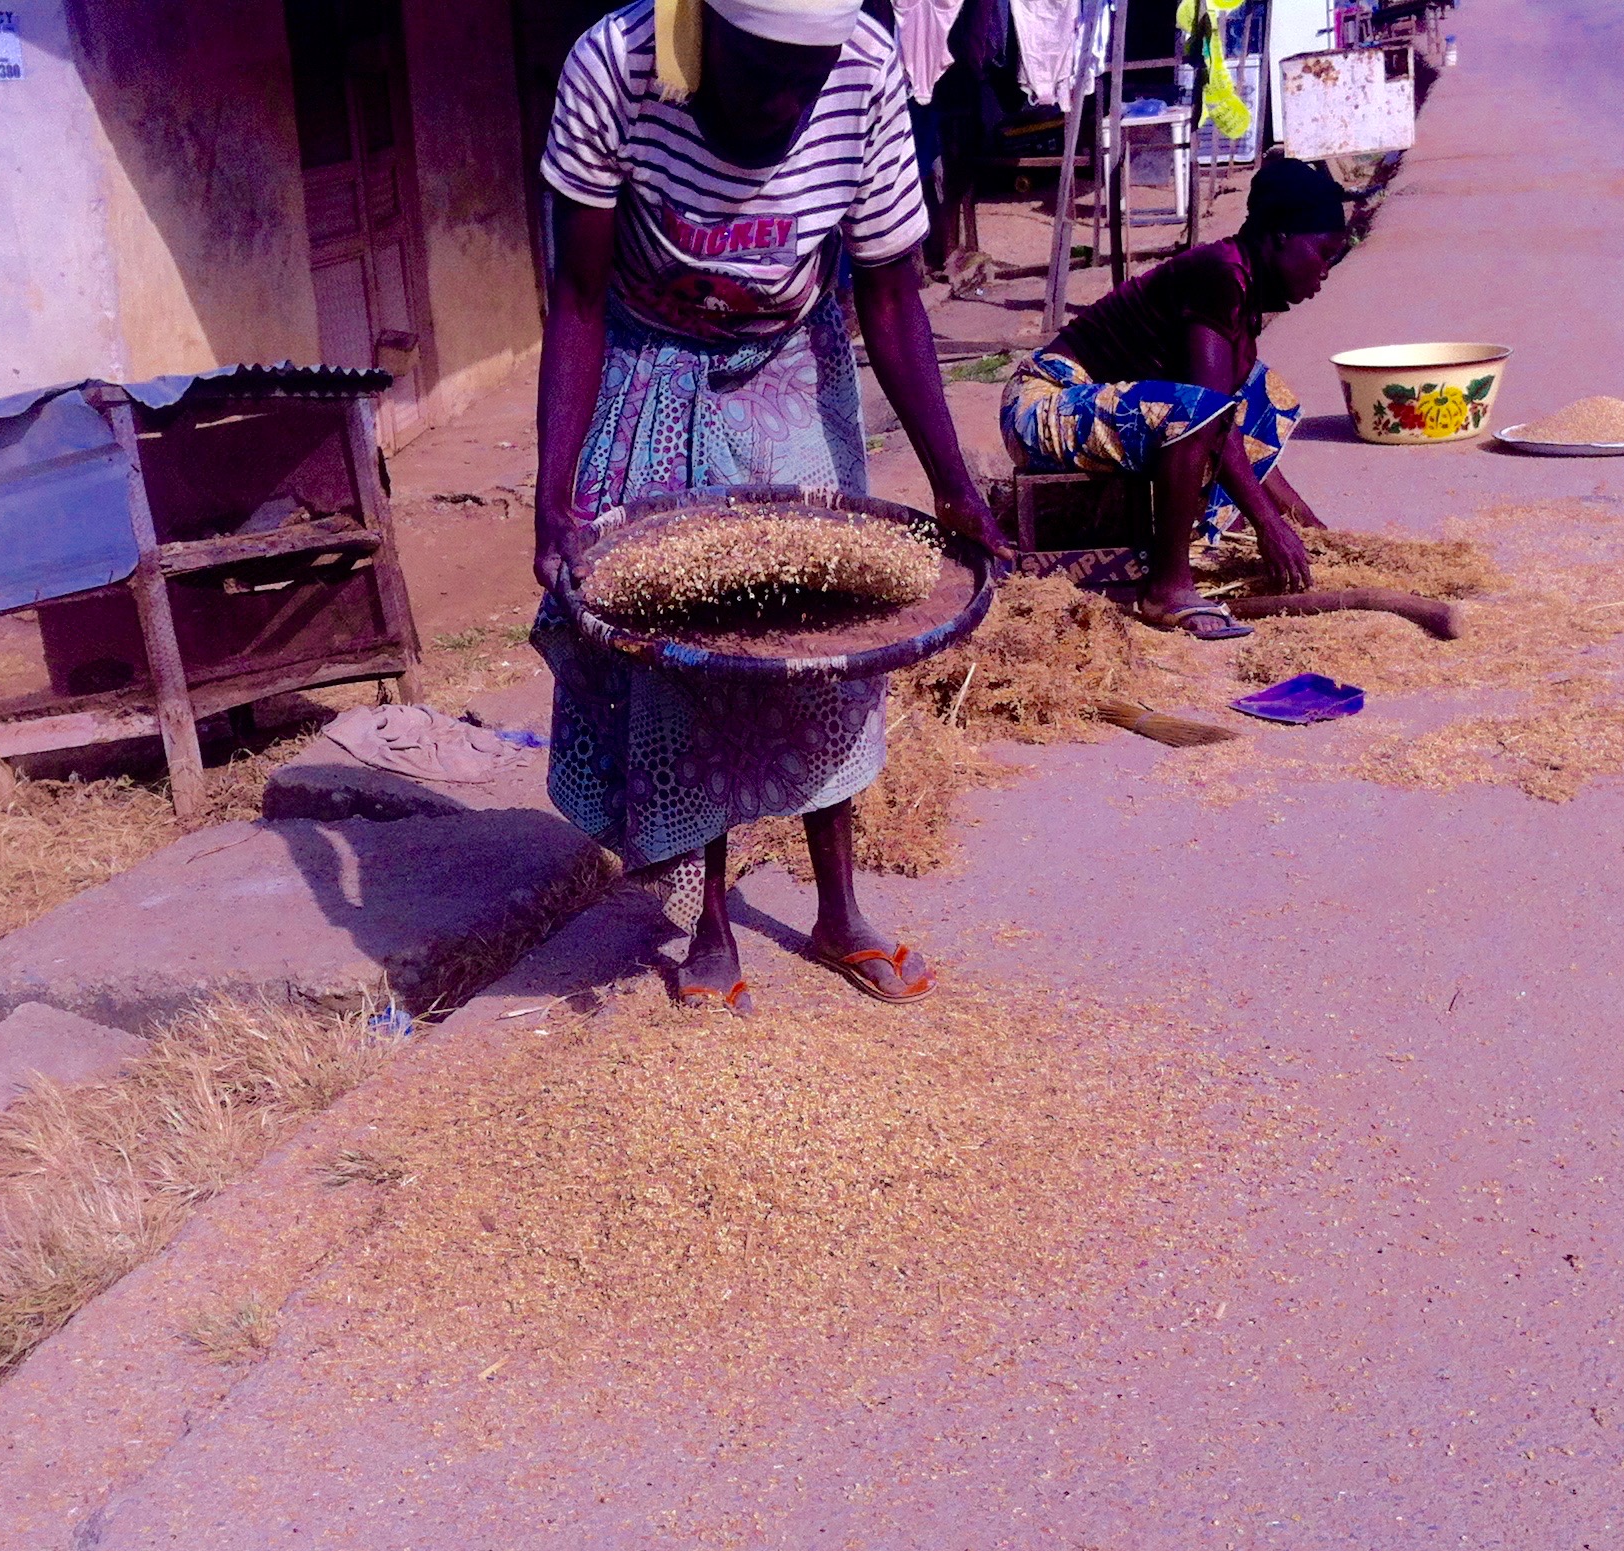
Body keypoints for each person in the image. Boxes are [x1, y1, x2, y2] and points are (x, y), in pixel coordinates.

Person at [532, 0, 1009, 1011]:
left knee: (824, 637)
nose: (790, 101)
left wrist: (954, 483)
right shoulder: (615, 68)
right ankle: (711, 917)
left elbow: (889, 293)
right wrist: (555, 494)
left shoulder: (870, 74)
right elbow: (573, 297)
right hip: (647, 355)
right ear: (701, 30)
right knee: (687, 644)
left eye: (810, 73)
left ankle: (840, 910)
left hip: (793, 361)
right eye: (761, 72)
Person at [1000, 155, 1356, 639]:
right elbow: (1202, 414)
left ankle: (1208, 531)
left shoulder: (1242, 287)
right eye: (1324, 254)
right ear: (1282, 238)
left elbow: (1228, 424)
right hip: (1043, 404)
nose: (1326, 272)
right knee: (1197, 411)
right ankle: (1168, 587)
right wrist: (1270, 526)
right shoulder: (1220, 274)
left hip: (1098, 407)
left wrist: (1309, 530)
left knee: (1261, 393)